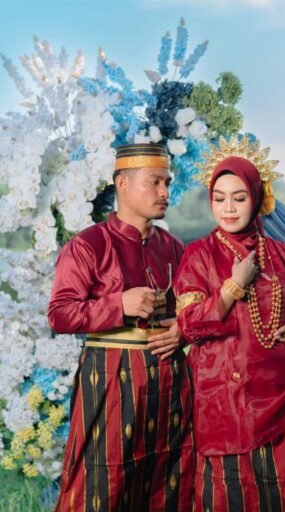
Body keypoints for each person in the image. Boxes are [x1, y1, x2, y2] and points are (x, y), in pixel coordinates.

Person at [174, 138, 285, 511]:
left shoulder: (284, 256)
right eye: (219, 198)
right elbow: (189, 326)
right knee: (232, 494)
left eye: (238, 198)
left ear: (256, 198)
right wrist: (233, 287)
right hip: (226, 399)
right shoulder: (199, 255)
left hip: (284, 394)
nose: (228, 208)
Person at [48, 143, 194, 511]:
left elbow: (193, 309)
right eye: (154, 182)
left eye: (167, 182)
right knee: (103, 478)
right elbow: (60, 314)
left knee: (169, 474)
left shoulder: (174, 248)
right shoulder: (88, 245)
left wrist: (183, 330)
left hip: (170, 377)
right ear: (122, 184)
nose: (164, 191)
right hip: (112, 376)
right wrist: (119, 305)